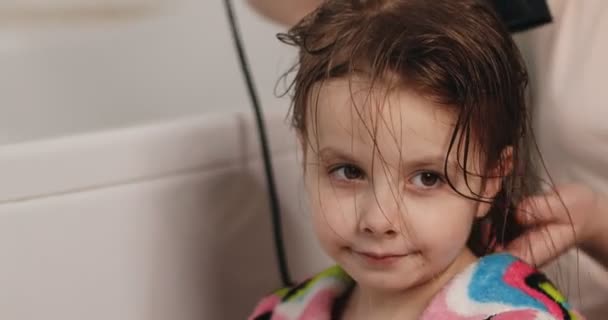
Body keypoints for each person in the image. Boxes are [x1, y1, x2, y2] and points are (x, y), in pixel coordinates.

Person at [247, 0, 608, 317]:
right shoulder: (281, 311)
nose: (378, 220)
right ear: (305, 151)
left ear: (490, 179)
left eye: (427, 178)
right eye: (348, 171)